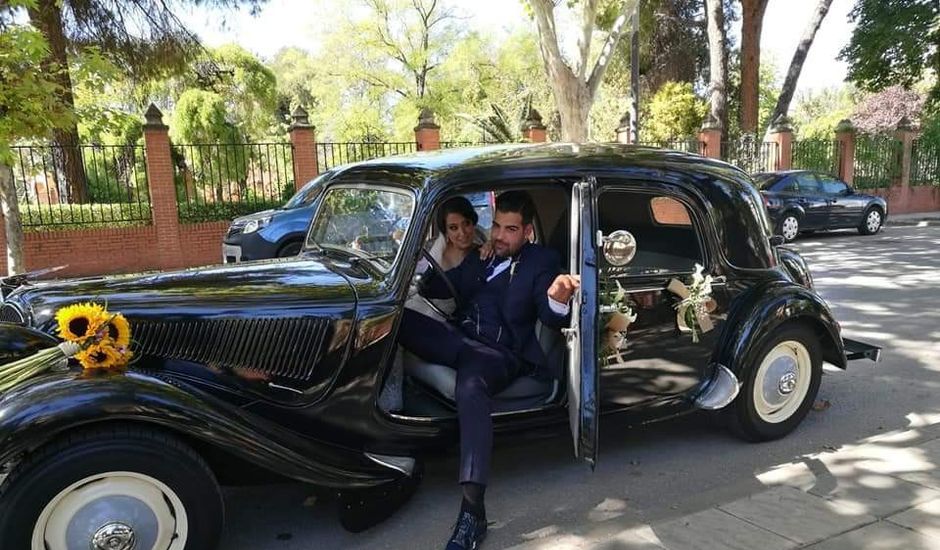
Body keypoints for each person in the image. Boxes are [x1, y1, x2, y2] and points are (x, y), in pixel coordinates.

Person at [398, 190, 580, 550]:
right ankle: (378, 441)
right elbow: (441, 285)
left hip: (500, 354)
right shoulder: (482, 256)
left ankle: (472, 511)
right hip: (460, 338)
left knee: (470, 385)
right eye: (496, 225)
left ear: (527, 232)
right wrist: (416, 264)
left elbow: (547, 314)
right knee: (394, 322)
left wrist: (557, 297)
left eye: (510, 229)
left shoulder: (541, 260)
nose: (498, 235)